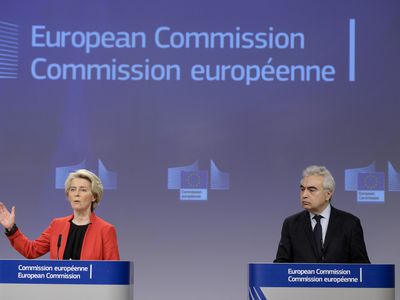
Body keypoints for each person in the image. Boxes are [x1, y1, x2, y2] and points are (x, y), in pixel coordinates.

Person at [0, 169, 120, 260]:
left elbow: (113, 272)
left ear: (94, 196)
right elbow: (31, 250)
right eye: (72, 189)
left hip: (92, 292)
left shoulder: (105, 229)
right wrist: (11, 228)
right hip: (58, 291)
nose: (76, 194)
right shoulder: (57, 225)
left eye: (83, 190)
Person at [274, 165, 370, 263]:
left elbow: (362, 266)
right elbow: (281, 264)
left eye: (311, 190)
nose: (304, 195)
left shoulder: (350, 224)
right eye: (302, 189)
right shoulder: (291, 224)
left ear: (328, 194)